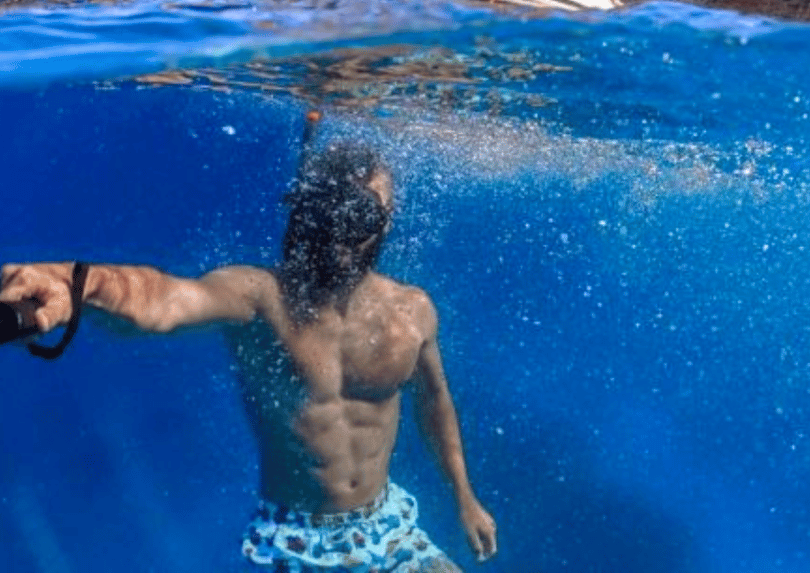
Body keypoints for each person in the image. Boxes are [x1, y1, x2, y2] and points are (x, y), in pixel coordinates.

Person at [0, 141, 498, 572]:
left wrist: (465, 497)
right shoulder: (261, 297)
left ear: (387, 221)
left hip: (387, 526)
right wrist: (78, 282)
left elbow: (435, 403)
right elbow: (164, 301)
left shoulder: (413, 311)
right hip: (293, 540)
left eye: (364, 212)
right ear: (308, 209)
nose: (347, 229)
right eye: (334, 208)